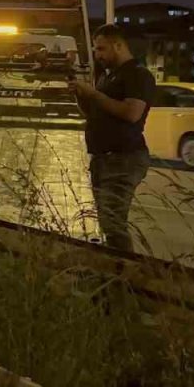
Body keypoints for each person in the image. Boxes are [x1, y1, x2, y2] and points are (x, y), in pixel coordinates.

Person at [68, 24, 156, 253]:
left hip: (123, 159)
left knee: (113, 224)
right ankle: (114, 274)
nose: (97, 55)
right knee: (108, 224)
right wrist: (82, 95)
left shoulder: (138, 75)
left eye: (101, 49)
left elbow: (131, 113)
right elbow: (95, 112)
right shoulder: (109, 77)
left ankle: (124, 278)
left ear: (118, 46)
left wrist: (94, 94)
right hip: (104, 159)